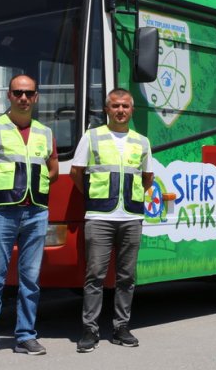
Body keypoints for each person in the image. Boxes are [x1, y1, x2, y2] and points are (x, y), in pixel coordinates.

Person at [0, 74, 58, 361]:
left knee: (30, 279)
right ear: (9, 95)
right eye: (18, 92)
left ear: (36, 97)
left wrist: (35, 189)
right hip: (1, 213)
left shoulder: (45, 132)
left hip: (36, 213)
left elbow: (52, 170)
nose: (24, 98)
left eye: (29, 93)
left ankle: (26, 336)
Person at [70, 87, 153, 353]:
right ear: (107, 109)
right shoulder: (91, 137)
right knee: (95, 275)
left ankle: (121, 327)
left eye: (125, 106)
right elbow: (76, 173)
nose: (120, 111)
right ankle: (89, 330)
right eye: (115, 106)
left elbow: (147, 178)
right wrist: (96, 198)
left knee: (127, 276)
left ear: (131, 110)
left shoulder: (142, 142)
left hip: (131, 217)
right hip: (100, 217)